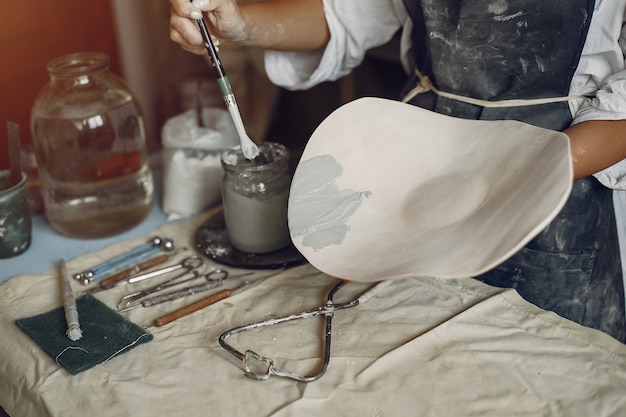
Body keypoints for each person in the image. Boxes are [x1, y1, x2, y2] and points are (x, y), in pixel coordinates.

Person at [169, 0, 626, 342]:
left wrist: (526, 170)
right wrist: (241, 23)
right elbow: (346, 15)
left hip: (559, 174)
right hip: (419, 173)